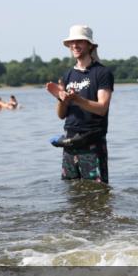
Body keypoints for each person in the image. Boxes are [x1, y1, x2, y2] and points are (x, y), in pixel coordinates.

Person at [50, 25, 114, 183]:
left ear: (90, 45)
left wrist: (77, 99)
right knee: (72, 193)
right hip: (69, 143)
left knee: (98, 195)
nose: (75, 45)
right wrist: (61, 99)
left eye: (80, 41)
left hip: (92, 142)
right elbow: (61, 115)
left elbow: (102, 108)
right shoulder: (68, 75)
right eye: (72, 42)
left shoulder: (102, 73)